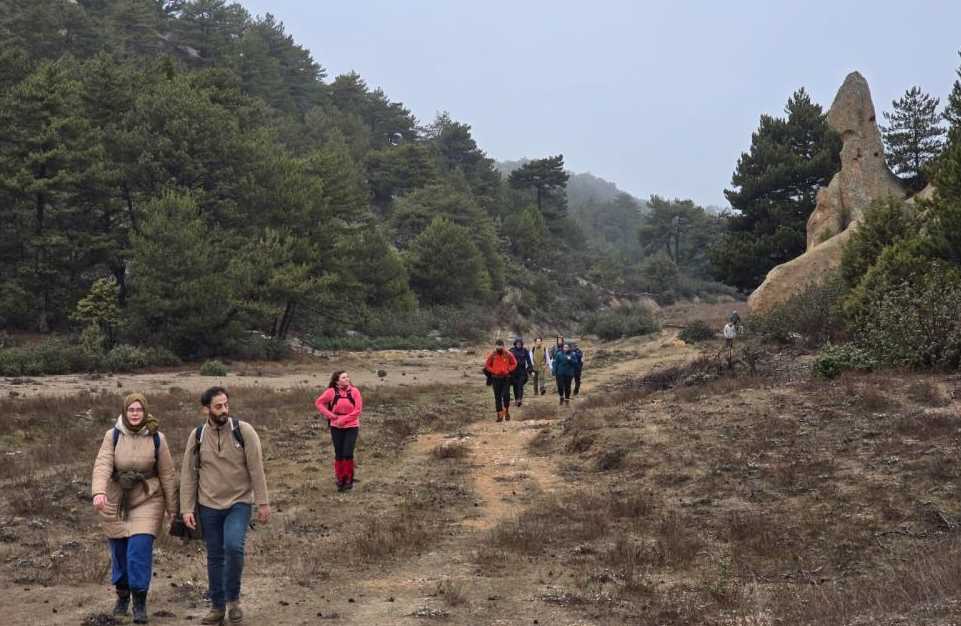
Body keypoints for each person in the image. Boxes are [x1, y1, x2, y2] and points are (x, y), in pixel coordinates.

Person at [181, 387, 271, 626]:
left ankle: (233, 600)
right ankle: (217, 607)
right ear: (206, 409)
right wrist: (186, 509)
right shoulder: (197, 435)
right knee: (215, 556)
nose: (224, 410)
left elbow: (256, 469)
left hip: (239, 502)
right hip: (208, 505)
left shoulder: (244, 431)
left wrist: (263, 502)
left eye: (226, 405)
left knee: (233, 547)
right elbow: (188, 475)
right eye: (218, 406)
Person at [91, 393, 178, 624]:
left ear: (145, 411)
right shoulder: (113, 435)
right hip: (117, 499)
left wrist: (172, 509)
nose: (135, 413)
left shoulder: (157, 437)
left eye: (139, 409)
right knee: (119, 552)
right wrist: (99, 491)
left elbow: (168, 474)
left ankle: (139, 601)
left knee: (138, 551)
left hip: (148, 497)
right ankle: (122, 595)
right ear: (124, 411)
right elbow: (102, 464)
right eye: (131, 410)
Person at [314, 371, 364, 492]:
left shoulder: (355, 391)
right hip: (335, 426)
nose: (347, 379)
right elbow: (319, 403)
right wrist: (331, 416)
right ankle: (340, 479)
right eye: (343, 377)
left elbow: (358, 410)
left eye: (347, 377)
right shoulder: (331, 392)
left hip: (352, 425)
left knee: (348, 452)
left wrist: (344, 420)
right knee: (339, 453)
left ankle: (349, 480)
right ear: (337, 381)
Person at [484, 339, 517, 422]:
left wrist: (508, 369)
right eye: (497, 346)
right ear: (495, 346)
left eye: (500, 346)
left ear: (503, 346)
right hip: (495, 378)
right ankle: (499, 415)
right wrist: (493, 371)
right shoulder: (493, 355)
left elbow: (514, 363)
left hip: (506, 378)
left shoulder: (508, 354)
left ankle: (506, 411)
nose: (499, 348)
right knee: (497, 397)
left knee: (506, 395)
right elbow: (487, 365)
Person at [509, 338, 533, 407]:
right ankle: (516, 399)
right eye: (517, 343)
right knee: (515, 386)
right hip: (513, 371)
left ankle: (520, 399)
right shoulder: (511, 350)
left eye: (520, 343)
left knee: (520, 385)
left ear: (521, 344)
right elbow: (507, 360)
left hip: (522, 370)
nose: (518, 344)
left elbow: (528, 361)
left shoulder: (525, 350)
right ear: (515, 344)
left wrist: (530, 370)